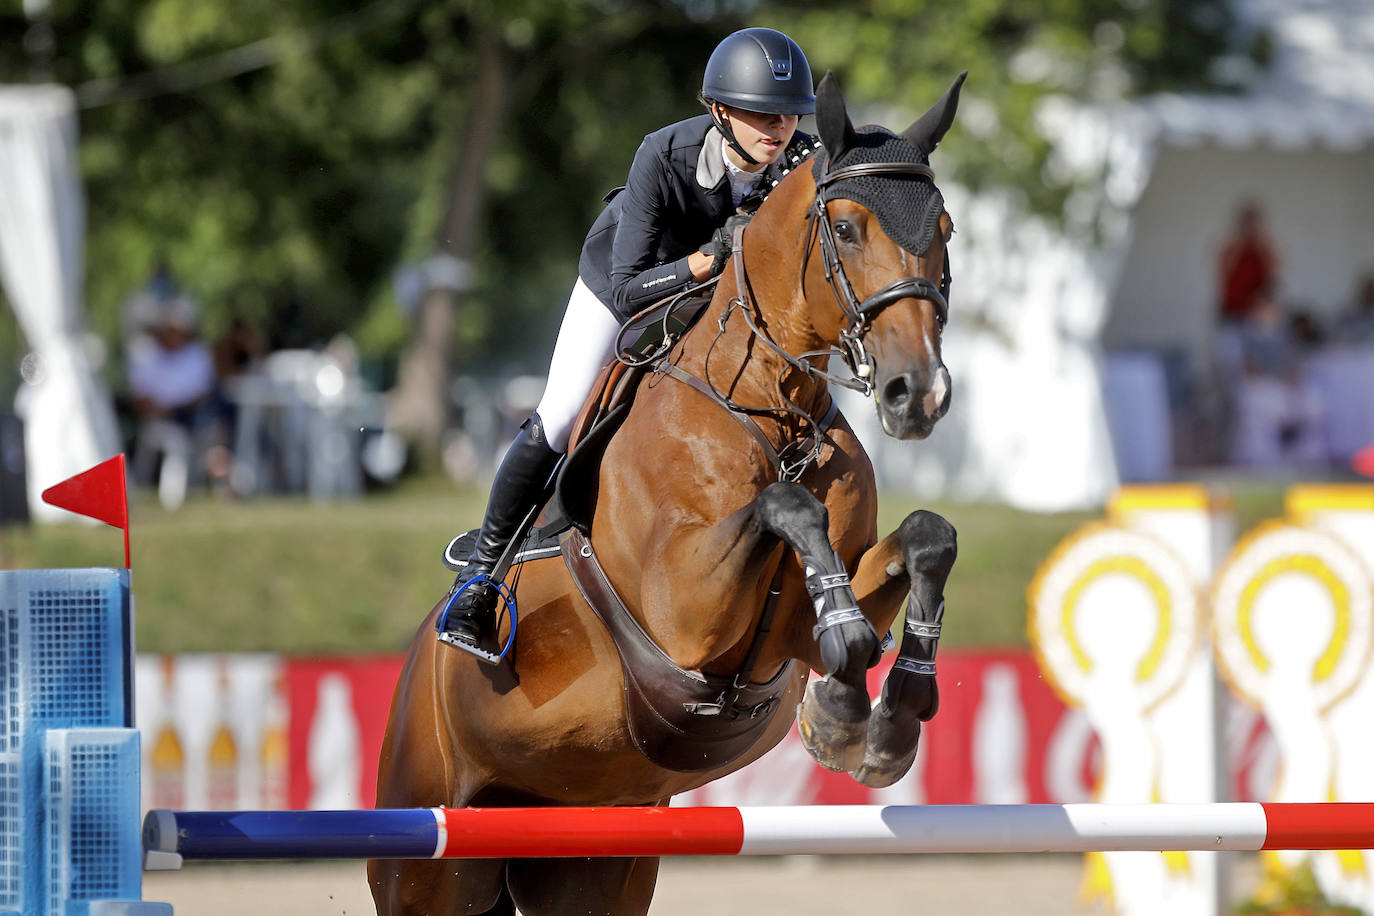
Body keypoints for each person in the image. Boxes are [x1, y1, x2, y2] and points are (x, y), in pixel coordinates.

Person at [439, 28, 821, 649]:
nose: (777, 128)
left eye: (787, 114)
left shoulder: (802, 161)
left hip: (724, 307)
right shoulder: (663, 156)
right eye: (760, 114)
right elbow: (627, 290)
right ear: (721, 111)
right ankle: (482, 578)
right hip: (633, 284)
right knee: (562, 413)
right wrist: (707, 259)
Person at [1217, 201, 1280, 325]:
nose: (1250, 227)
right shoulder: (1231, 248)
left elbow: (1272, 279)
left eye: (1254, 223)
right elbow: (1225, 271)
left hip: (1256, 313)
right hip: (1232, 311)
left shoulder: (1264, 250)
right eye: (1247, 223)